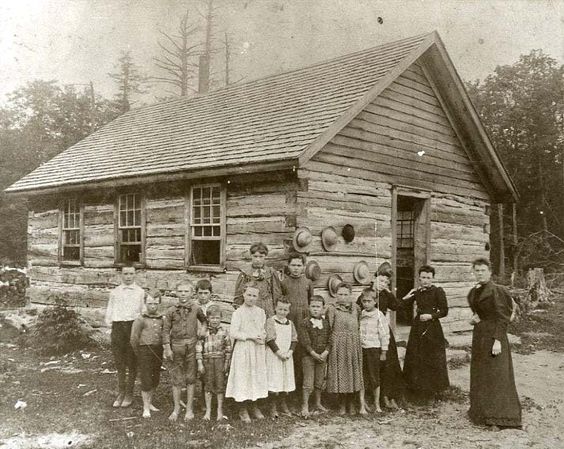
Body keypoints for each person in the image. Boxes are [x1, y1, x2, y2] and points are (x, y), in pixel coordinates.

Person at [467, 258, 521, 428]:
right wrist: (475, 319)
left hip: (494, 337)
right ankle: (481, 413)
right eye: (477, 270)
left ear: (490, 272)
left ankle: (500, 417)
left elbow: (503, 318)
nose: (479, 273)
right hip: (480, 337)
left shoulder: (498, 291)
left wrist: (497, 340)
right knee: (481, 374)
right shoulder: (474, 291)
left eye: (483, 270)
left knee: (496, 376)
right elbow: (479, 312)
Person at [359, 264, 405, 409]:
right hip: (369, 335)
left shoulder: (385, 295)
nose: (382, 284)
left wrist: (389, 292)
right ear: (374, 279)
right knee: (369, 366)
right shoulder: (367, 295)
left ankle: (387, 396)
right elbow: (358, 310)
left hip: (383, 332)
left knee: (389, 364)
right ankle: (368, 398)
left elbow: (397, 306)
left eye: (386, 282)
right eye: (380, 280)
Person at [402, 265, 449, 402]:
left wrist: (431, 316)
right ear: (419, 278)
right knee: (416, 356)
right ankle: (416, 390)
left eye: (428, 278)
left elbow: (444, 311)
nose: (425, 280)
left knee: (431, 358)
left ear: (433, 278)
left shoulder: (438, 291)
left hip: (432, 328)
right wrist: (406, 297)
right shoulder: (417, 292)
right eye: (423, 277)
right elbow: (402, 306)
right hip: (418, 326)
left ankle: (432, 392)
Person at [162, 280, 207, 422]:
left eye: (186, 291)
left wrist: (202, 330)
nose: (183, 294)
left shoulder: (196, 308)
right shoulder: (170, 311)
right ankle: (176, 409)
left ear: (192, 293)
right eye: (180, 291)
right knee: (176, 379)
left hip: (192, 346)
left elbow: (205, 321)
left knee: (190, 378)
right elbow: (165, 331)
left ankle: (189, 409)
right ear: (176, 292)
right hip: (176, 347)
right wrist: (168, 348)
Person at [226, 282, 269, 422]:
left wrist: (262, 335)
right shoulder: (238, 313)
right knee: (243, 377)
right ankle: (242, 408)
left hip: (257, 349)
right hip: (243, 349)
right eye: (249, 295)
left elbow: (263, 329)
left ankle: (254, 405)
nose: (251, 298)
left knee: (255, 376)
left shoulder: (261, 312)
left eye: (254, 296)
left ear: (258, 297)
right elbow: (233, 332)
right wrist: (250, 337)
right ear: (243, 295)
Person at [104, 265, 145, 408]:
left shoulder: (140, 292)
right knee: (119, 362)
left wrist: (139, 331)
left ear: (135, 274)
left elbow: (143, 312)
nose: (128, 276)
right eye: (125, 274)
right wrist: (110, 326)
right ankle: (121, 392)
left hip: (132, 327)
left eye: (131, 274)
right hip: (118, 327)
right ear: (121, 275)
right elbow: (110, 310)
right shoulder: (115, 292)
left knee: (132, 361)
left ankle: (129, 393)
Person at [326, 282, 364, 415]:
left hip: (353, 343)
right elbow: (329, 328)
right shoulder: (331, 309)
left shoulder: (356, 308)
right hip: (338, 344)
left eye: (345, 294)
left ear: (350, 295)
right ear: (336, 295)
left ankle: (351, 403)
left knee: (353, 373)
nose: (342, 297)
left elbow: (359, 325)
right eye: (340, 294)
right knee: (341, 373)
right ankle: (342, 403)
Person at [280, 252, 314, 390]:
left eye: (299, 265)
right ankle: (288, 392)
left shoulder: (307, 283)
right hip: (289, 324)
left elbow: (311, 302)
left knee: (303, 356)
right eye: (293, 265)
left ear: (304, 267)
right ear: (288, 266)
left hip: (303, 324)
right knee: (290, 355)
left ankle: (301, 390)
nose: (296, 268)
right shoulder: (284, 283)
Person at [130, 289, 164, 418]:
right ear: (145, 303)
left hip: (158, 350)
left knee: (155, 378)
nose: (153, 306)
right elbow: (134, 338)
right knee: (146, 378)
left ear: (159, 303)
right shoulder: (140, 319)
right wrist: (139, 353)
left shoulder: (162, 318)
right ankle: (145, 407)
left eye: (155, 303)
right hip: (144, 351)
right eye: (150, 303)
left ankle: (150, 402)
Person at [196, 304, 232, 421]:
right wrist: (200, 363)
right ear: (208, 319)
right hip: (207, 361)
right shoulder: (204, 332)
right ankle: (208, 410)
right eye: (212, 318)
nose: (215, 320)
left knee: (220, 385)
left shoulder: (224, 332)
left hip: (220, 361)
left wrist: (226, 363)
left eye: (217, 318)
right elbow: (198, 348)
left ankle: (219, 411)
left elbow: (228, 349)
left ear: (221, 318)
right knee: (208, 385)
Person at [358, 288, 389, 414]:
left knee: (374, 377)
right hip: (361, 349)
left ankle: (377, 405)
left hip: (374, 349)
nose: (366, 303)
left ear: (375, 301)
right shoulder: (361, 314)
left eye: (369, 301)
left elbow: (384, 334)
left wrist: (384, 351)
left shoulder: (379, 315)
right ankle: (362, 406)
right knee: (362, 377)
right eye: (364, 301)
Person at [298, 295, 330, 418]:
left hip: (322, 356)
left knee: (319, 381)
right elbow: (305, 341)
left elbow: (330, 339)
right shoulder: (305, 323)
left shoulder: (326, 323)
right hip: (309, 356)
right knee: (308, 382)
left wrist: (326, 352)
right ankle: (304, 405)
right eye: (313, 307)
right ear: (309, 307)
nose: (315, 309)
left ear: (323, 308)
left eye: (318, 307)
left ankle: (317, 403)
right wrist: (313, 353)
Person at [265, 299, 298, 417]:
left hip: (287, 356)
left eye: (285, 309)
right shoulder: (271, 321)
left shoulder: (290, 323)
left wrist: (289, 353)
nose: (282, 312)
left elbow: (294, 339)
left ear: (289, 310)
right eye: (280, 309)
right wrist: (279, 353)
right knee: (275, 380)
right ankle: (272, 407)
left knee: (285, 380)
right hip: (274, 355)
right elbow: (269, 339)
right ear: (275, 308)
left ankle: (283, 404)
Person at [233, 242, 282, 317]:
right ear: (251, 256)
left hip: (267, 308)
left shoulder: (271, 273)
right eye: (255, 256)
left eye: (261, 256)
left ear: (265, 256)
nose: (258, 259)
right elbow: (239, 294)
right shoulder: (245, 273)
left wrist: (276, 310)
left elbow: (276, 293)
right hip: (250, 308)